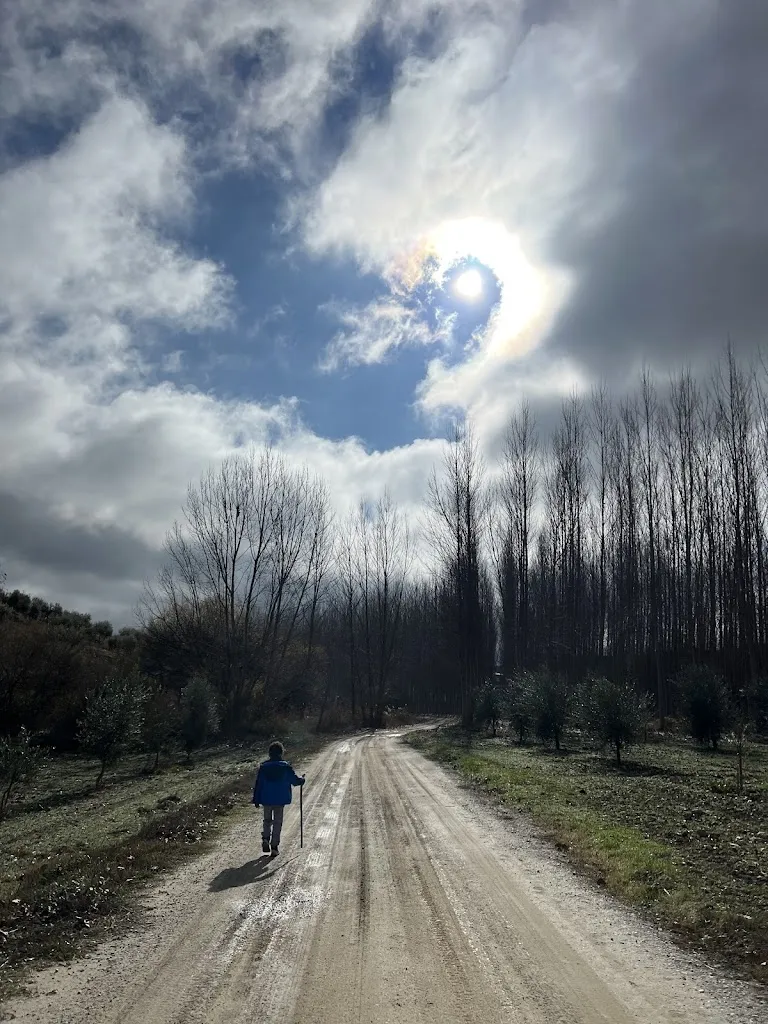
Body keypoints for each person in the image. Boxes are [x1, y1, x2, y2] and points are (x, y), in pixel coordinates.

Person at [252, 741, 305, 858]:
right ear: (281, 753)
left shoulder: (263, 767)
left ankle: (265, 838)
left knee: (267, 820)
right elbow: (294, 780)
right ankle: (274, 847)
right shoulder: (285, 767)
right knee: (277, 822)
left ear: (270, 753)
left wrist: (256, 799)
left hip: (266, 798)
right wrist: (301, 780)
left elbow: (258, 784)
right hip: (280, 799)